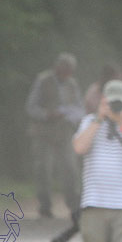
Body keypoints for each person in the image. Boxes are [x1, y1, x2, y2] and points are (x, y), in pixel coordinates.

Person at [72, 80, 122, 242]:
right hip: (94, 204)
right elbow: (79, 147)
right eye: (112, 102)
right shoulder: (90, 121)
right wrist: (99, 118)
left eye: (119, 103)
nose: (115, 106)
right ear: (103, 100)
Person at [25, 53, 84, 219]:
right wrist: (47, 114)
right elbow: (31, 107)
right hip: (43, 133)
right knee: (43, 168)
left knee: (70, 168)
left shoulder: (73, 84)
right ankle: (45, 206)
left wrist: (73, 116)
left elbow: (79, 107)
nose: (68, 74)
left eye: (71, 70)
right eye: (66, 69)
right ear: (58, 67)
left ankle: (74, 205)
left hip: (64, 132)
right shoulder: (42, 80)